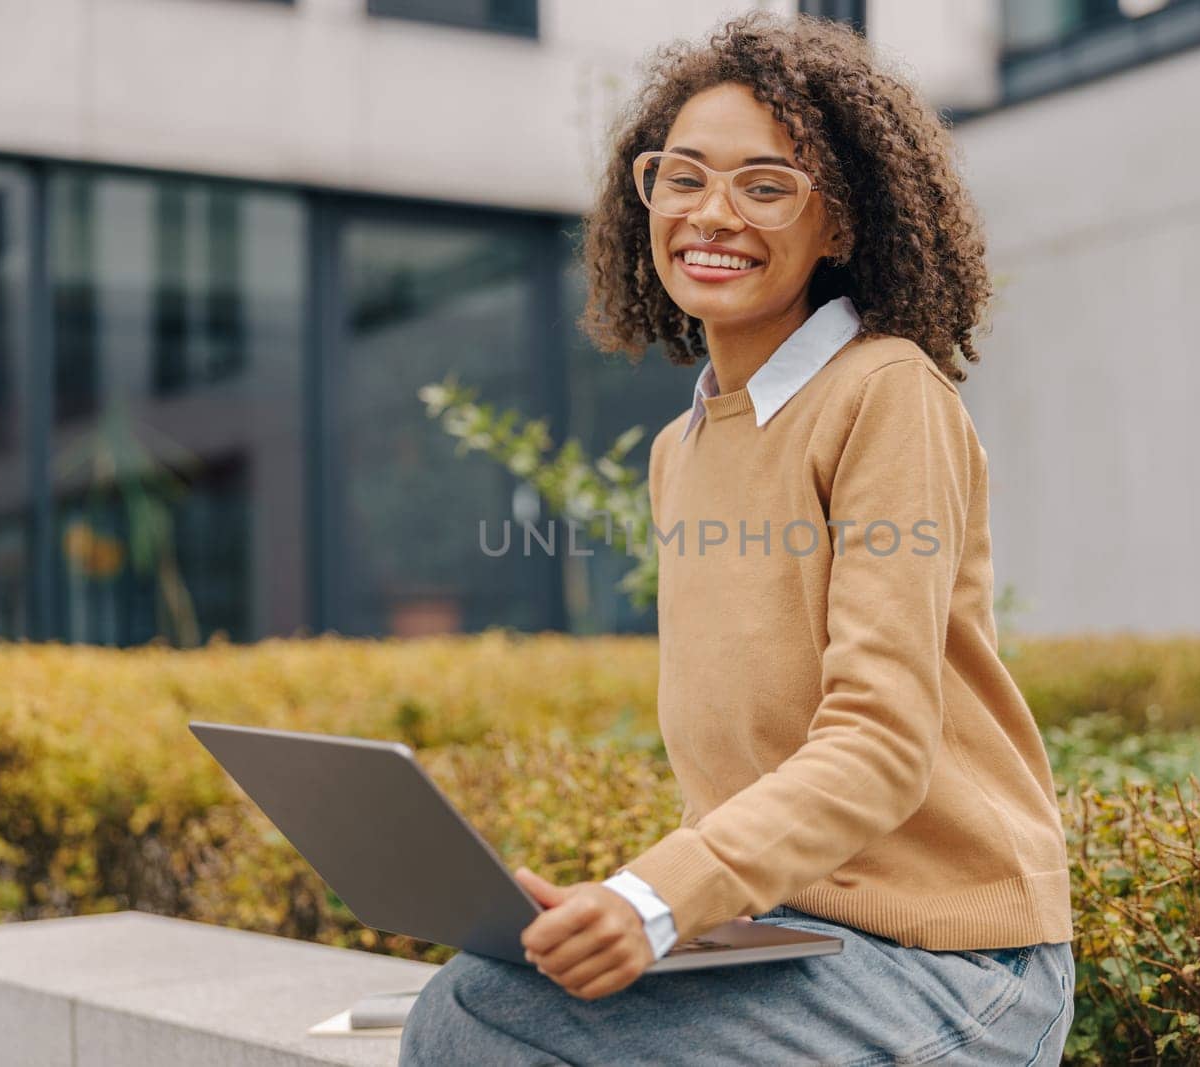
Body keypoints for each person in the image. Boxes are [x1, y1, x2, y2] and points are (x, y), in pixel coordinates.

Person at [400, 11, 1075, 1065]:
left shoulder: (886, 394)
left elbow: (881, 741)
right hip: (790, 942)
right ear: (646, 195)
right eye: (683, 177)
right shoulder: (685, 447)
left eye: (765, 186)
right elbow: (741, 759)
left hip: (957, 970)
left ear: (839, 225)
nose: (713, 214)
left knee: (475, 1013)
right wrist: (632, 914)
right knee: (496, 984)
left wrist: (655, 897)